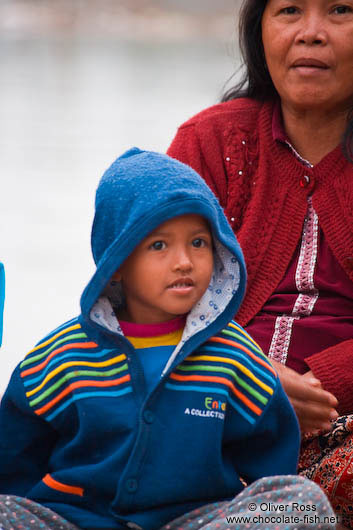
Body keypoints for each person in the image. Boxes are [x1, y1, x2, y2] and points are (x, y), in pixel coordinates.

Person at [0, 148, 336, 530]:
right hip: (77, 518)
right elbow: (15, 455)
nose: (184, 262)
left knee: (302, 504)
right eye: (159, 245)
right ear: (117, 265)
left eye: (198, 242)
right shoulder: (60, 356)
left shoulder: (234, 355)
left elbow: (270, 454)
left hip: (194, 520)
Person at [167, 0, 353, 527]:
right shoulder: (209, 141)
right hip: (206, 414)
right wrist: (246, 378)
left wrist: (326, 384)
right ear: (259, 31)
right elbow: (143, 298)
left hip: (341, 433)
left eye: (341, 10)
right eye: (289, 10)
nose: (310, 34)